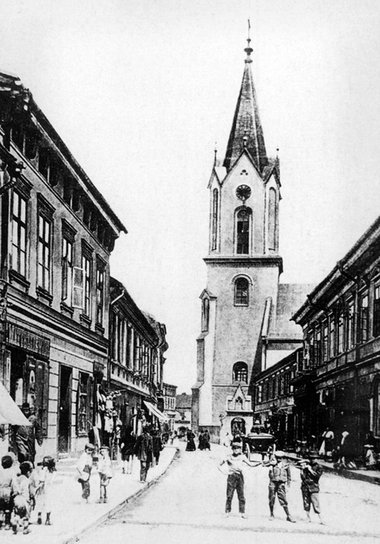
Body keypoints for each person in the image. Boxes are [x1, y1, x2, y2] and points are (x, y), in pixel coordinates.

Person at [218, 441, 261, 518]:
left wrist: (259, 463)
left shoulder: (243, 457)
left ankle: (242, 512)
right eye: (234, 448)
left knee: (241, 495)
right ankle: (227, 512)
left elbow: (250, 464)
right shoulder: (228, 456)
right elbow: (219, 465)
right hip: (231, 477)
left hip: (240, 477)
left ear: (240, 449)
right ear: (232, 449)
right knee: (229, 495)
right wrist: (225, 472)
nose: (236, 450)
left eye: (238, 448)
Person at [264, 450, 296, 523]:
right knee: (271, 498)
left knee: (283, 499)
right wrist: (270, 462)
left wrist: (288, 485)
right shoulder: (272, 464)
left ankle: (288, 515)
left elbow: (289, 476)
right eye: (277, 457)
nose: (278, 459)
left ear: (282, 458)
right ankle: (271, 514)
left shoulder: (286, 465)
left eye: (280, 458)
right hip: (273, 482)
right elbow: (263, 464)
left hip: (281, 484)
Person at [297, 454, 324, 524]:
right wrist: (302, 470)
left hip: (313, 487)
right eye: (311, 458)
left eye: (314, 458)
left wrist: (310, 469)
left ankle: (321, 519)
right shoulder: (306, 466)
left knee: (316, 503)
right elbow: (303, 478)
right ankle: (308, 517)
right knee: (306, 503)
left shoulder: (319, 467)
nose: (313, 460)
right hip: (305, 486)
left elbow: (317, 476)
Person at [12, 461, 35, 534]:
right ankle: (25, 529)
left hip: (16, 500)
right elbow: (31, 493)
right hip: (25, 501)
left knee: (17, 514)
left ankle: (15, 522)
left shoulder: (15, 479)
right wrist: (33, 499)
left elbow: (13, 489)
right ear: (28, 472)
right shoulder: (28, 481)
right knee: (25, 516)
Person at [35, 456, 56, 525]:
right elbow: (52, 480)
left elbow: (41, 480)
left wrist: (38, 487)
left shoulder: (43, 470)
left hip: (42, 488)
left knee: (40, 502)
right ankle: (47, 519)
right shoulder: (53, 471)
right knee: (48, 503)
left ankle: (39, 517)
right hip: (49, 489)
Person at [0, 454, 17, 530]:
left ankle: (0, 522)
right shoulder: (12, 471)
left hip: (0, 490)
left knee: (0, 507)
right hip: (7, 491)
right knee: (8, 507)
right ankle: (7, 523)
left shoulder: (0, 471)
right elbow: (14, 482)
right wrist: (16, 490)